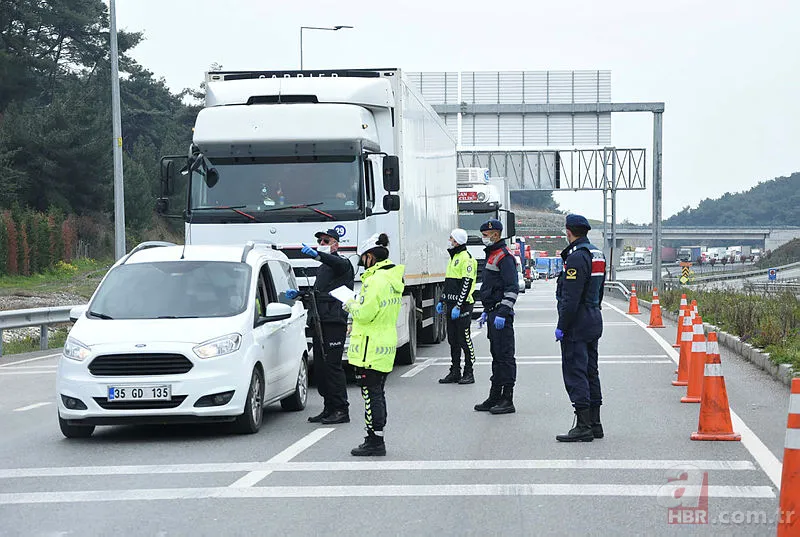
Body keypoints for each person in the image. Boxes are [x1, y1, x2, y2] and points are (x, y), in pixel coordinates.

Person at [286, 228, 354, 425]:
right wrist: (300, 295)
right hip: (320, 320)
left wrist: (319, 255)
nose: (322, 242)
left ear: (336, 244)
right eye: (320, 241)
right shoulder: (324, 268)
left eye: (326, 240)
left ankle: (341, 409)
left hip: (334, 321)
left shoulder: (342, 263)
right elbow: (321, 293)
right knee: (322, 368)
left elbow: (336, 263)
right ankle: (329, 407)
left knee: (333, 366)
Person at [345, 233, 405, 456]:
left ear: (370, 257)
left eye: (363, 258)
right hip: (384, 344)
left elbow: (365, 313)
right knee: (377, 393)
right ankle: (376, 437)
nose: (362, 262)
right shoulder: (392, 278)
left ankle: (375, 441)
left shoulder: (375, 281)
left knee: (371, 395)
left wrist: (349, 303)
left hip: (369, 347)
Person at [555, 214, 606, 442]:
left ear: (569, 231)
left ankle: (583, 425)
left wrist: (562, 326)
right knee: (590, 372)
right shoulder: (597, 254)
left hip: (578, 322)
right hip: (594, 317)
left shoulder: (576, 258)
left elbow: (570, 298)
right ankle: (595, 423)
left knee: (576, 372)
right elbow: (600, 289)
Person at [473, 218, 518, 414]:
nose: (484, 238)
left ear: (496, 234)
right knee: (496, 357)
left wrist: (502, 312)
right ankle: (494, 396)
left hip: (501, 315)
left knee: (505, 358)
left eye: (486, 235)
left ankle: (507, 399)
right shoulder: (493, 255)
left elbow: (511, 288)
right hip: (493, 313)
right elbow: (492, 287)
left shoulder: (504, 257)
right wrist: (487, 309)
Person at [436, 228, 478, 384]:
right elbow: (449, 283)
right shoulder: (453, 258)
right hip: (451, 304)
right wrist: (442, 300)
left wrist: (459, 305)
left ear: (458, 241)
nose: (450, 241)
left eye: (451, 239)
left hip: (463, 306)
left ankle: (469, 372)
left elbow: (466, 284)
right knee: (452, 339)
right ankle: (455, 371)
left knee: (464, 339)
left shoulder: (467, 259)